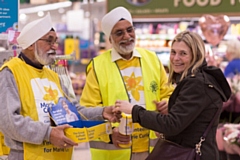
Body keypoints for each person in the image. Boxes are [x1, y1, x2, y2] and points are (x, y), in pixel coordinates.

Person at [0, 13, 120, 160]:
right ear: (31, 44)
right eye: (49, 41)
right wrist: (48, 134)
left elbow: (74, 111)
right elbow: (9, 122)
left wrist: (102, 112)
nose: (55, 46)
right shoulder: (10, 71)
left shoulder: (53, 76)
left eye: (55, 41)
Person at [114, 30, 232, 160]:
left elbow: (171, 125)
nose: (176, 58)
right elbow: (189, 122)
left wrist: (133, 110)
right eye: (173, 52)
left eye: (183, 54)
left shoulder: (197, 84)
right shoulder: (197, 80)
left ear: (196, 56)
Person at [80, 6, 174, 160]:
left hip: (153, 150)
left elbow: (168, 93)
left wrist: (167, 103)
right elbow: (88, 111)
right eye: (119, 33)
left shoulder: (152, 59)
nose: (127, 36)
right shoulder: (97, 66)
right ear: (110, 39)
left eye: (130, 30)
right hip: (116, 153)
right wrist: (110, 133)